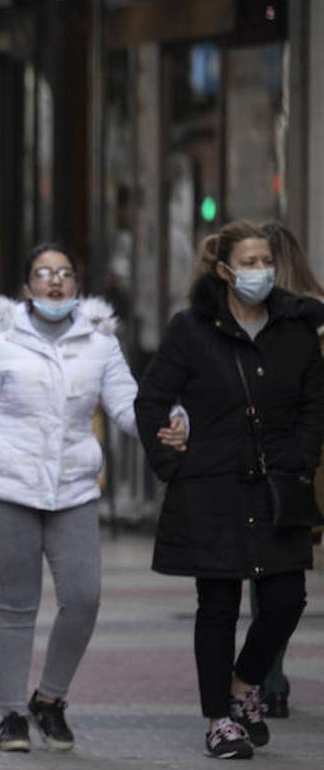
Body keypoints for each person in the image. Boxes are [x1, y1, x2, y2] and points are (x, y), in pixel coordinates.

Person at [0, 243, 185, 753]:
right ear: (27, 288)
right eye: (44, 274)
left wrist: (169, 426)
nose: (55, 281)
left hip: (73, 489)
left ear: (77, 286)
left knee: (84, 598)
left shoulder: (100, 345)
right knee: (17, 607)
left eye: (65, 273)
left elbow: (128, 408)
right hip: (7, 488)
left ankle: (50, 698)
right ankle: (12, 716)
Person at [135, 220, 324, 759]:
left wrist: (300, 461)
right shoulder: (191, 330)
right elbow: (152, 401)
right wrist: (173, 459)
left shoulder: (296, 330)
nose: (260, 271)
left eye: (266, 261)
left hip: (277, 488)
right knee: (216, 605)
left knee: (287, 600)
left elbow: (315, 406)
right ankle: (219, 719)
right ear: (224, 270)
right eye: (249, 262)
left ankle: (245, 687)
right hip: (210, 489)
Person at [247, 221, 324, 719]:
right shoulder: (318, 312)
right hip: (311, 461)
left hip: (282, 464)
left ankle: (268, 680)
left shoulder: (262, 321)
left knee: (268, 572)